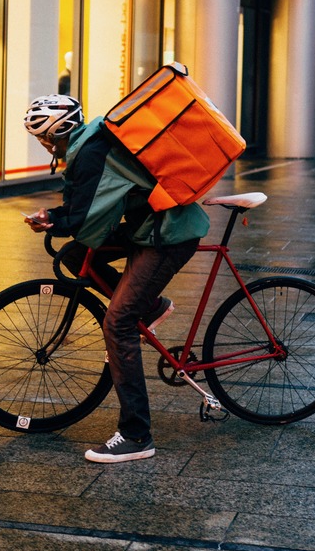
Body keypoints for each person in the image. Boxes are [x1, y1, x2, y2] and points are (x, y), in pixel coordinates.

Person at [21, 94, 208, 464]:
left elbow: (89, 214)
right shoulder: (88, 146)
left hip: (167, 236)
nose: (43, 145)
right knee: (75, 253)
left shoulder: (92, 151)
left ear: (54, 135)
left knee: (119, 324)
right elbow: (82, 205)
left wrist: (56, 221)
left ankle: (137, 435)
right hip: (148, 228)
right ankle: (150, 307)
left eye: (42, 138)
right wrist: (56, 216)